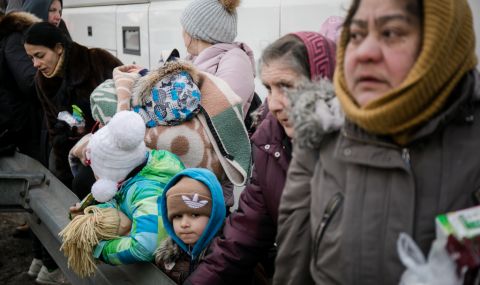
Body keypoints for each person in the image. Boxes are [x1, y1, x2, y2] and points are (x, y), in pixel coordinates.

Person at [274, 0, 479, 284]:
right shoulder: (321, 132)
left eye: (391, 32)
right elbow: (291, 268)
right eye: (356, 35)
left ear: (443, 41)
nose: (364, 53)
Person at [184, 31, 337, 284]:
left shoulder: (361, 150)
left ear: (323, 83)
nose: (274, 104)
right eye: (269, 89)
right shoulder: (270, 144)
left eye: (287, 87)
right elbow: (243, 236)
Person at [61, 110, 186, 277]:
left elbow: (144, 247)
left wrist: (100, 248)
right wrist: (89, 210)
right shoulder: (147, 163)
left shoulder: (147, 192)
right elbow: (120, 197)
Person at [24, 22, 122, 189]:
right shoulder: (42, 82)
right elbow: (53, 128)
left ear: (59, 48)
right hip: (74, 156)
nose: (35, 64)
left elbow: (127, 92)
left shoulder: (97, 60)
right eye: (31, 58)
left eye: (40, 55)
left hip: (114, 151)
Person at [180, 0, 255, 118]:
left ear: (195, 32)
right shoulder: (192, 59)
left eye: (184, 28)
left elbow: (223, 114)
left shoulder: (236, 61)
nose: (182, 33)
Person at [155, 168, 226, 284]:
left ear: (214, 216)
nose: (184, 224)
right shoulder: (167, 258)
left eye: (195, 215)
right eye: (177, 216)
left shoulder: (228, 258)